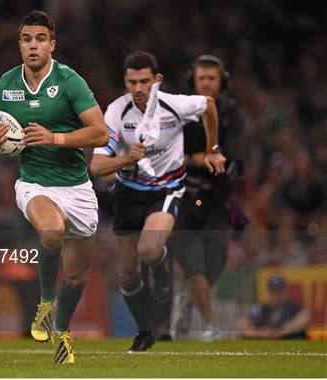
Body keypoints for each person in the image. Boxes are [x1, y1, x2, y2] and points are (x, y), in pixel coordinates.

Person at [0, 10, 107, 364]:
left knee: (77, 277)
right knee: (51, 232)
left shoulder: (69, 81)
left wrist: (55, 138)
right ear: (19, 45)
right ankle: (46, 302)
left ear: (51, 45)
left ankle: (62, 332)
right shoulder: (6, 86)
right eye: (26, 40)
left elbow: (101, 132)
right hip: (35, 184)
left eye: (40, 40)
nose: (33, 46)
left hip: (77, 188)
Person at [90, 51, 226, 352]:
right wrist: (127, 158)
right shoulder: (115, 112)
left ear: (157, 81)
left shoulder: (174, 105)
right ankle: (145, 331)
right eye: (132, 82)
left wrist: (213, 148)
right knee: (127, 275)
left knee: (149, 250)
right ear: (125, 82)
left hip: (166, 189)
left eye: (144, 81)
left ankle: (162, 263)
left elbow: (209, 105)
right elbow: (97, 167)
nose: (138, 88)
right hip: (127, 192)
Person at [172, 55, 245, 341]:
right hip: (182, 197)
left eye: (211, 78)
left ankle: (187, 303)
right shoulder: (181, 111)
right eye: (201, 78)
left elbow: (229, 156)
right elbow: (173, 156)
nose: (206, 83)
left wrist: (192, 159)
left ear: (221, 81)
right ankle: (212, 325)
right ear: (193, 80)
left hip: (217, 199)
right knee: (193, 264)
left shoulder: (233, 113)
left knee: (216, 263)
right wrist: (200, 159)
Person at [237, 274, 310, 339]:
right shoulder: (261, 310)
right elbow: (241, 323)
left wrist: (281, 331)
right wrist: (259, 333)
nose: (276, 295)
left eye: (279, 291)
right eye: (273, 291)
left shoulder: (292, 308)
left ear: (285, 291)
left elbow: (305, 317)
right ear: (268, 291)